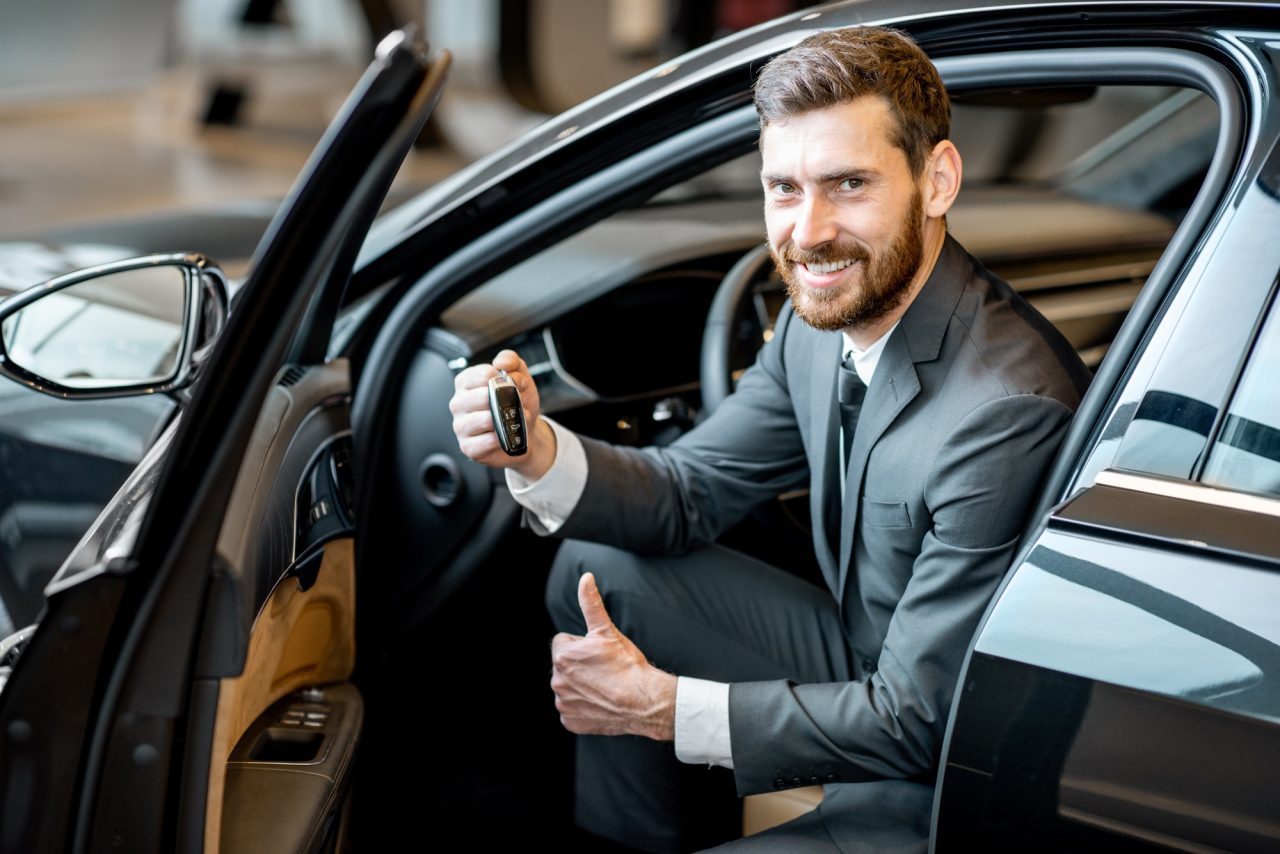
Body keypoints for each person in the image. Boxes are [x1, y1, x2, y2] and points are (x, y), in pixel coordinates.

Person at [449, 26, 1089, 853]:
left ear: (937, 180)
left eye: (849, 185)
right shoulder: (818, 323)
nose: (809, 232)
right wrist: (536, 451)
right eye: (783, 188)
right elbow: (686, 494)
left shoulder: (1003, 411)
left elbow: (921, 723)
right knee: (599, 573)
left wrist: (659, 708)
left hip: (942, 775)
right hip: (869, 662)